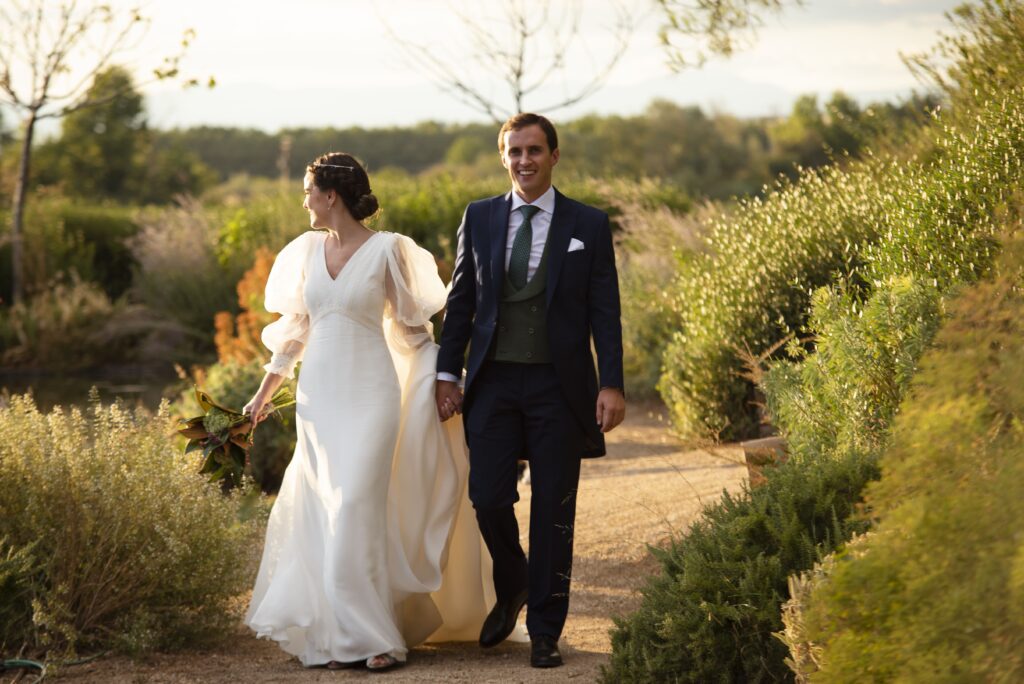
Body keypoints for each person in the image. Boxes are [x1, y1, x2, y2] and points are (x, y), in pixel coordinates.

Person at [243, 152, 493, 672]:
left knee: (356, 503)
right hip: (318, 400)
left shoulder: (388, 251)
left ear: (331, 196)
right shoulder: (306, 252)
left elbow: (411, 330)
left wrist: (442, 379)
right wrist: (264, 393)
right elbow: (295, 332)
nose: (305, 200)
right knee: (328, 510)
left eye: (309, 190)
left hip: (372, 396)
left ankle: (372, 636)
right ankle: (338, 635)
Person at [435, 113, 626, 668]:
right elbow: (462, 303)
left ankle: (545, 630)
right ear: (503, 158)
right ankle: (514, 577)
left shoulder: (588, 224)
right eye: (515, 151)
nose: (525, 161)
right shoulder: (481, 216)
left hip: (559, 387)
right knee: (487, 496)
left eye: (534, 150)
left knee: (553, 509)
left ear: (554, 155)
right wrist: (448, 374)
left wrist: (610, 381)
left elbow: (604, 311)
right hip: (493, 383)